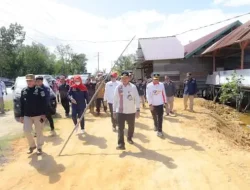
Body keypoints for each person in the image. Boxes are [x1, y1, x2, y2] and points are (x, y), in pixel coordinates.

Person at [20, 74, 47, 155]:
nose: (29, 82)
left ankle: (39, 147)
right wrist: (21, 115)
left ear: (34, 81)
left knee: (39, 132)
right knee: (26, 131)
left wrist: (43, 114)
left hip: (38, 115)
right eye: (27, 81)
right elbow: (22, 104)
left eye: (30, 80)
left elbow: (44, 103)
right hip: (27, 115)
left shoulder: (40, 90)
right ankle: (32, 146)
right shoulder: (24, 90)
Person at [113, 71, 140, 150]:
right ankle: (121, 144)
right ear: (121, 79)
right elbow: (115, 100)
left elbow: (137, 98)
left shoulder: (133, 87)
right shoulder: (118, 87)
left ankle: (129, 138)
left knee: (131, 126)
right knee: (120, 128)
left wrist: (137, 109)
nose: (124, 79)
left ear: (129, 78)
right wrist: (114, 111)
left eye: (126, 78)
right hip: (120, 111)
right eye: (122, 78)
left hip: (131, 111)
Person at [146, 73, 167, 137]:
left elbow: (163, 93)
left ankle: (159, 131)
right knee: (154, 116)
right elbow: (148, 95)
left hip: (160, 104)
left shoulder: (161, 85)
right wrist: (150, 104)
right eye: (155, 79)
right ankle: (155, 125)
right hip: (153, 104)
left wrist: (165, 102)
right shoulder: (149, 86)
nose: (156, 80)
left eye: (157, 79)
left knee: (160, 118)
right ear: (152, 79)